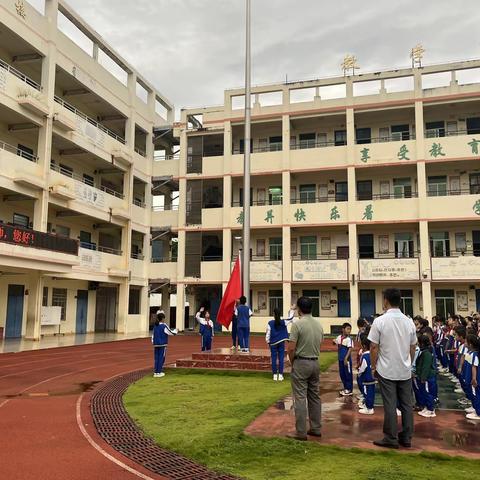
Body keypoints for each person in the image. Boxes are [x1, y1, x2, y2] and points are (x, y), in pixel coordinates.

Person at [368, 288, 417, 449]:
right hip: (404, 368)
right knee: (406, 404)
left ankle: (391, 437)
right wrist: (408, 361)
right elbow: (413, 345)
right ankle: (407, 436)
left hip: (386, 368)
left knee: (390, 404)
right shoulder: (408, 321)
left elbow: (373, 346)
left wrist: (373, 366)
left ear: (386, 301)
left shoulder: (380, 321)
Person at [286, 296, 324, 441]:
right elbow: (320, 343)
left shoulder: (297, 325)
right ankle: (316, 428)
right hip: (315, 361)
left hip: (301, 362)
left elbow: (291, 348)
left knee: (300, 397)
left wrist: (293, 361)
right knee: (314, 396)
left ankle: (301, 432)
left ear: (299, 309)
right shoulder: (318, 325)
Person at [265, 306, 295, 381]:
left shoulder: (270, 323)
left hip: (273, 344)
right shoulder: (283, 322)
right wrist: (291, 309)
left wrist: (268, 341)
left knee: (274, 359)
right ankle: (281, 375)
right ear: (280, 314)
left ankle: (275, 375)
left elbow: (268, 334)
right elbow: (290, 318)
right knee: (281, 358)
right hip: (281, 342)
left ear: (273, 314)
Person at [414, 334, 437, 418]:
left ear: (422, 343)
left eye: (419, 343)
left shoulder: (426, 353)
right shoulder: (424, 351)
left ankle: (431, 410)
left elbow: (426, 366)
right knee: (424, 392)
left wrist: (423, 377)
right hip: (424, 377)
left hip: (427, 377)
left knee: (428, 393)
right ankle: (427, 407)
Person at [152, 311, 178, 378]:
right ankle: (159, 372)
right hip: (162, 344)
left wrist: (153, 342)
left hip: (156, 344)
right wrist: (176, 331)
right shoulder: (164, 325)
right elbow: (171, 332)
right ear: (163, 318)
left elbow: (153, 335)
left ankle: (156, 372)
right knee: (161, 358)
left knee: (156, 358)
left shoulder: (155, 326)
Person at [357, 334, 376, 415]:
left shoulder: (365, 355)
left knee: (367, 393)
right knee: (371, 392)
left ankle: (369, 408)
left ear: (364, 346)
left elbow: (363, 367)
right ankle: (369, 406)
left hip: (366, 378)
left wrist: (359, 373)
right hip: (372, 377)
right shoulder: (373, 354)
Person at [334, 322, 353, 396]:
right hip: (340, 359)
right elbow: (336, 343)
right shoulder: (339, 337)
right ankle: (346, 388)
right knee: (342, 374)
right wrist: (334, 342)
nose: (349, 331)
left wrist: (346, 358)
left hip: (346, 360)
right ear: (343, 329)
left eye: (350, 329)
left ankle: (349, 389)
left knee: (348, 374)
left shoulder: (349, 339)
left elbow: (350, 349)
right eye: (347, 329)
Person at [465, 334, 480, 420]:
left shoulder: (475, 354)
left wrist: (474, 379)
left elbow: (474, 367)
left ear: (470, 344)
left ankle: (478, 413)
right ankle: (476, 409)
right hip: (476, 379)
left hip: (475, 380)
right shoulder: (475, 353)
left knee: (475, 395)